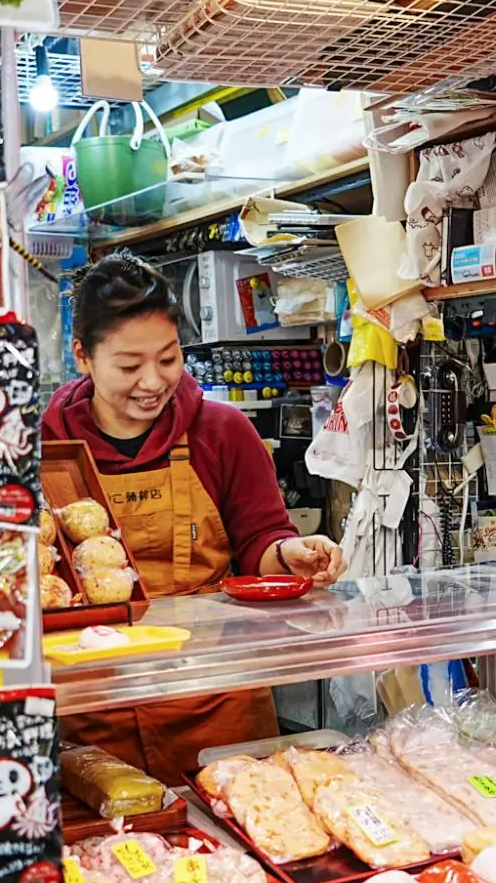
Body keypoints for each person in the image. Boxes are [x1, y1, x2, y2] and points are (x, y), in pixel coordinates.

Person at [41, 254, 345, 779]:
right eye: (129, 365)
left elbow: (260, 539)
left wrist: (288, 554)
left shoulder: (221, 431)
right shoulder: (44, 448)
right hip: (95, 709)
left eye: (168, 357)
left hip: (216, 702)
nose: (153, 381)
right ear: (83, 358)